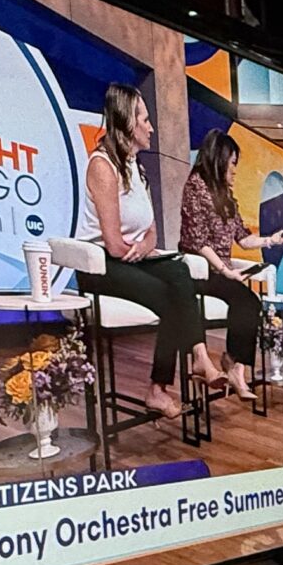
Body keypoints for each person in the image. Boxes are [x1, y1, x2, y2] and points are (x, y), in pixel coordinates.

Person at [76, 84, 221, 418]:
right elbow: (112, 243)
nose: (151, 127)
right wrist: (141, 249)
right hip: (100, 267)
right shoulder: (102, 165)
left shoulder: (136, 167)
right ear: (128, 122)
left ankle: (199, 358)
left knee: (179, 272)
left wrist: (145, 246)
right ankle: (158, 388)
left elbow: (152, 231)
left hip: (131, 257)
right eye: (145, 119)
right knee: (167, 292)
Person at [177, 128, 283, 407]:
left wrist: (270, 240)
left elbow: (242, 236)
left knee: (249, 302)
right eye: (233, 164)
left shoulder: (226, 195)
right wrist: (225, 270)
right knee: (244, 298)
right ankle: (233, 367)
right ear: (220, 159)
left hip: (221, 271)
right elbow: (198, 242)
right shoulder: (195, 187)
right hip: (199, 270)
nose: (235, 171)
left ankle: (236, 367)